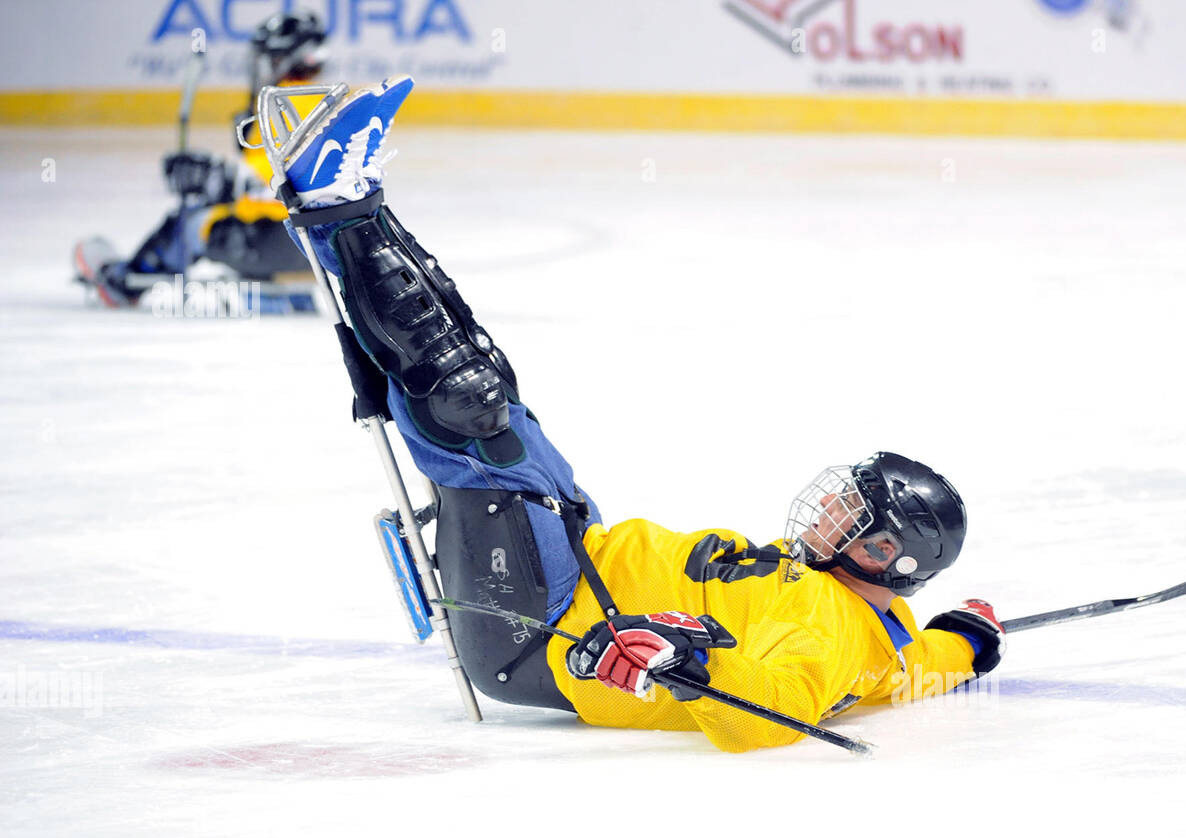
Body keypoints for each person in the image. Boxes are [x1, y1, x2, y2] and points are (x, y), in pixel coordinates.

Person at [272, 77, 1008, 753]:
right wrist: (970, 640)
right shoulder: (888, 631)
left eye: (851, 512)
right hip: (580, 551)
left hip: (543, 628)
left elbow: (781, 708)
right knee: (487, 379)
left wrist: (687, 663)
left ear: (881, 554)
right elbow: (924, 663)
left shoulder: (832, 632)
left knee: (471, 405)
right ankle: (355, 205)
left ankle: (336, 210)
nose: (828, 508)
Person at [74, 12, 328, 311]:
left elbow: (270, 184)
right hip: (323, 248)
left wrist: (210, 176)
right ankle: (290, 294)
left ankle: (124, 283)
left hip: (278, 242)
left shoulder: (278, 102)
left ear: (283, 59)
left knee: (191, 222)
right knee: (240, 214)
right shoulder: (327, 100)